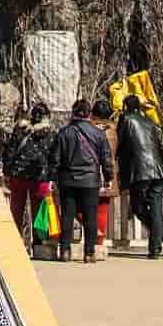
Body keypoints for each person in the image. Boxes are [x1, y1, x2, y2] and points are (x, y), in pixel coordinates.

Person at [49, 98, 112, 264]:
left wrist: (52, 178)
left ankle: (65, 251)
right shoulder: (98, 133)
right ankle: (89, 253)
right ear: (89, 114)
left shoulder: (64, 132)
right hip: (90, 180)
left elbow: (55, 158)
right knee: (90, 216)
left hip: (67, 179)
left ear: (73, 113)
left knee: (67, 216)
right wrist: (108, 177)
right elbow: (106, 158)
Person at [117, 95, 163, 258]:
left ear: (126, 107)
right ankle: (156, 248)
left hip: (140, 171)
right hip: (158, 171)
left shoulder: (126, 120)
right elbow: (162, 147)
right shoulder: (151, 122)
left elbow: (119, 144)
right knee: (156, 210)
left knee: (138, 208)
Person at [2, 105, 57, 246]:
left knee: (16, 210)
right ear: (47, 116)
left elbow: (10, 151)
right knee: (39, 211)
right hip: (40, 176)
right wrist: (52, 176)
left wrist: (7, 172)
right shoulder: (51, 133)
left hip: (18, 174)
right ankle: (39, 243)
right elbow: (54, 157)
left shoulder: (21, 130)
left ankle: (15, 243)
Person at [90, 98, 120, 258]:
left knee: (83, 206)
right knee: (102, 209)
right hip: (109, 174)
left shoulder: (89, 130)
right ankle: (99, 243)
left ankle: (93, 233)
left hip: (91, 174)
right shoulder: (113, 131)